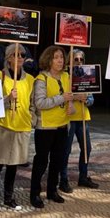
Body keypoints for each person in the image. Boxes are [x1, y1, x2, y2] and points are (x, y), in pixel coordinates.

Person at [0, 43, 35, 214]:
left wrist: (32, 118)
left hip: (22, 127)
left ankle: (9, 197)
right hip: (2, 126)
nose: (19, 58)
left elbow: (33, 103)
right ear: (8, 58)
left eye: (22, 55)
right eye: (15, 55)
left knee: (13, 165)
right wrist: (7, 98)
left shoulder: (30, 79)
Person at [30, 45, 77, 208]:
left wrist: (71, 104)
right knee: (41, 161)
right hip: (45, 127)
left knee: (57, 161)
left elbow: (69, 97)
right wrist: (61, 98)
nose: (60, 60)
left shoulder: (66, 76)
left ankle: (52, 190)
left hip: (62, 126)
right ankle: (35, 193)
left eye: (61, 57)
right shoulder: (41, 79)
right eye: (56, 57)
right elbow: (40, 103)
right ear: (48, 60)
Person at [59, 49, 98, 192]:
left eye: (81, 60)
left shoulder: (86, 75)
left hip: (82, 117)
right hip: (68, 117)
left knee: (87, 148)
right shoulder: (64, 76)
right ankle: (63, 179)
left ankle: (83, 176)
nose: (79, 62)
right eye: (76, 59)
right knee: (66, 150)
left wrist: (86, 99)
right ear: (70, 60)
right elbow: (61, 95)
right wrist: (76, 97)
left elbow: (91, 99)